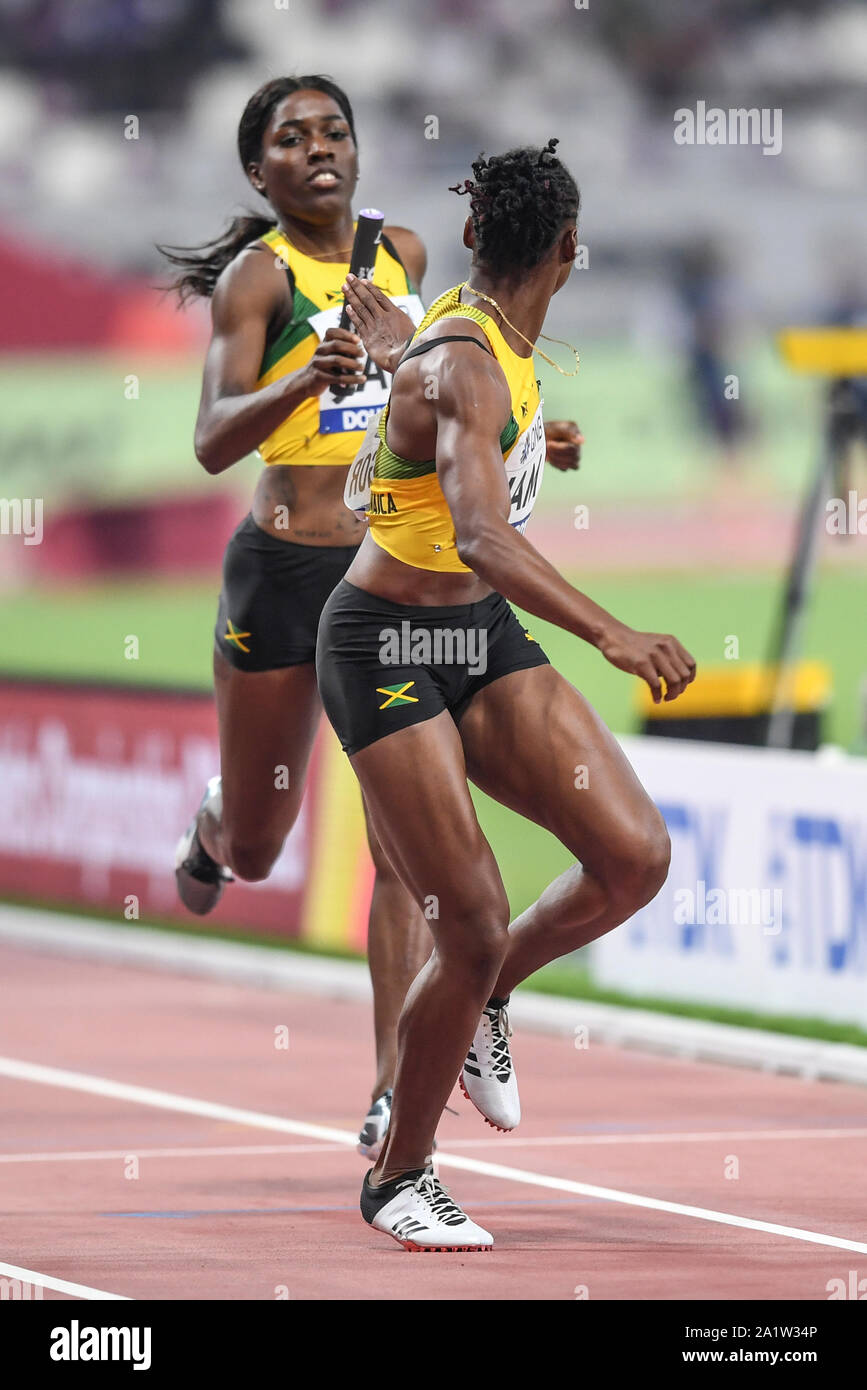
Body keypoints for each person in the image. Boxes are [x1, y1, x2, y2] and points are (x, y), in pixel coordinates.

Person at [317, 139, 696, 1251]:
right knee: (471, 915)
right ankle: (401, 1171)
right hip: (383, 641)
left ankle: (482, 995)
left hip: (472, 635)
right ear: (571, 252)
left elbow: (449, 419)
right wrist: (612, 633)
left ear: (478, 236)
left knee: (634, 856)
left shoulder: (482, 345)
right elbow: (479, 530)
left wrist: (541, 440)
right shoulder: (466, 358)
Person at [159, 75, 431, 1156]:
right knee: (265, 849)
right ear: (258, 170)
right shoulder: (255, 280)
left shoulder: (403, 253)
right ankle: (219, 822)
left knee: (405, 842)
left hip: (383, 574)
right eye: (290, 137)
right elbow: (214, 438)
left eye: (333, 131)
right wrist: (303, 383)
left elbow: (430, 383)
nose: (317, 147)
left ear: (357, 151)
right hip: (279, 575)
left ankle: (390, 1091)